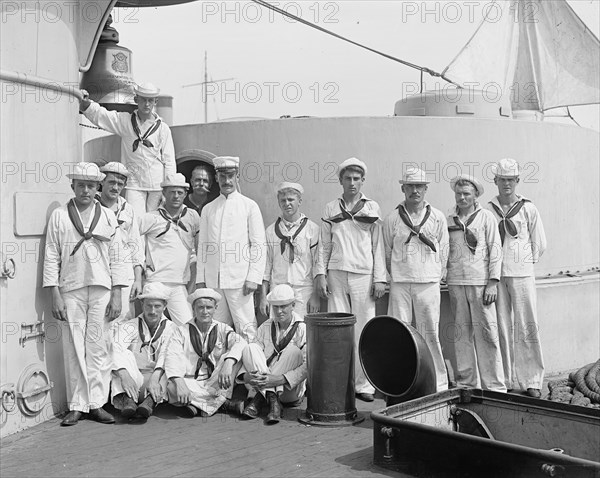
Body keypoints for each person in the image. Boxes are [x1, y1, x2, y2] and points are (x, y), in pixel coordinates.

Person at [43, 162, 128, 426]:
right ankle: (77, 405)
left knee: (99, 347)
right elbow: (51, 255)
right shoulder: (59, 215)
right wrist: (54, 293)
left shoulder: (108, 216)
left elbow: (117, 258)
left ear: (98, 188)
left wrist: (117, 294)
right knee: (73, 347)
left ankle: (97, 404)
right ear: (73, 186)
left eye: (91, 186)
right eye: (81, 185)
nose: (86, 190)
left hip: (102, 287)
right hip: (71, 287)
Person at [315, 157, 386, 402]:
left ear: (363, 181)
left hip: (363, 274)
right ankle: (340, 381)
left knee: (364, 330)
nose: (352, 183)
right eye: (348, 178)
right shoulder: (330, 208)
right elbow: (324, 245)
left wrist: (380, 279)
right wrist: (320, 274)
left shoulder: (372, 208)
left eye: (357, 179)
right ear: (341, 180)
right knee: (338, 331)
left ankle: (364, 385)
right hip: (336, 274)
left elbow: (379, 246)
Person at [383, 168, 449, 391]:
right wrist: (393, 275)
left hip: (428, 282)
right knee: (399, 333)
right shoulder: (392, 218)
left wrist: (438, 275)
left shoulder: (438, 217)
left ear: (425, 189)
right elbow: (386, 250)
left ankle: (437, 384)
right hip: (400, 282)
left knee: (430, 333)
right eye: (410, 186)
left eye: (419, 186)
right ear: (403, 188)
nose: (414, 191)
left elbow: (445, 249)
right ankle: (399, 384)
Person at [487, 158, 547, 398]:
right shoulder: (488, 209)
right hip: (497, 275)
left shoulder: (528, 207)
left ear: (517, 181)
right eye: (502, 180)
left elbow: (539, 242)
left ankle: (532, 380)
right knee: (501, 326)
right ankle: (508, 379)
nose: (506, 185)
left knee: (527, 325)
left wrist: (524, 262)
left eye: (511, 180)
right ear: (496, 181)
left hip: (521, 274)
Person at [446, 174, 506, 392]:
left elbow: (495, 250)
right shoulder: (449, 219)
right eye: (458, 194)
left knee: (487, 334)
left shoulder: (486, 218)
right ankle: (467, 383)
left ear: (475, 196)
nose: (462, 198)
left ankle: (494, 386)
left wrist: (493, 282)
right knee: (462, 335)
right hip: (456, 282)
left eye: (466, 194)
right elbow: (445, 251)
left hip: (481, 283)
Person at [196, 156, 266, 341]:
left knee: (247, 329)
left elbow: (258, 245)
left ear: (237, 177)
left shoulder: (249, 206)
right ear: (216, 178)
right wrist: (201, 279)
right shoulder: (208, 209)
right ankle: (220, 368)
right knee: (218, 330)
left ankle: (250, 368)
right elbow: (203, 247)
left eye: (230, 176)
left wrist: (253, 277)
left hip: (240, 281)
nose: (227, 181)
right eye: (222, 176)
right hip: (214, 282)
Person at [80, 83, 176, 216]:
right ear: (136, 100)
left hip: (157, 185)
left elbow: (169, 161)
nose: (146, 104)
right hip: (134, 184)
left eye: (150, 100)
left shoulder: (163, 128)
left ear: (156, 102)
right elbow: (104, 116)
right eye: (143, 99)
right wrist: (86, 104)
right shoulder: (125, 121)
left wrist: (168, 188)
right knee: (134, 221)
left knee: (155, 223)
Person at [165, 288, 247, 417]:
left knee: (238, 354)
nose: (205, 312)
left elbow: (241, 342)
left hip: (216, 380)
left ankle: (195, 404)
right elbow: (172, 357)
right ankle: (222, 404)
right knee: (171, 387)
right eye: (200, 307)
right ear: (193, 309)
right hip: (192, 381)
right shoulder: (181, 331)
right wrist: (180, 383)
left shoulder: (223, 328)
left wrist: (229, 362)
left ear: (215, 308)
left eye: (209, 307)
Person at [240, 284, 307, 424]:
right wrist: (246, 376)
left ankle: (260, 399)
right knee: (250, 348)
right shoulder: (265, 326)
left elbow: (308, 366)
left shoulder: (303, 329)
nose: (279, 311)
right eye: (275, 307)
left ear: (293, 305)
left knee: (293, 351)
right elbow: (252, 357)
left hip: (288, 390)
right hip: (262, 384)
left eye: (283, 306)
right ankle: (272, 399)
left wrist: (280, 379)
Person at [139, 173, 200, 325]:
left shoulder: (192, 216)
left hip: (179, 283)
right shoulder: (150, 217)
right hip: (155, 281)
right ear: (164, 193)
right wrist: (141, 262)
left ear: (185, 194)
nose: (176, 196)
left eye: (180, 192)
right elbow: (130, 238)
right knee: (151, 324)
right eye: (172, 192)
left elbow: (201, 246)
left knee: (187, 325)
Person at [110, 282, 178, 419]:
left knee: (172, 365)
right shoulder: (130, 325)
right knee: (121, 355)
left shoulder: (172, 328)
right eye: (149, 305)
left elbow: (167, 355)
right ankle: (128, 402)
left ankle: (150, 403)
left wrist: (155, 377)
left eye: (157, 306)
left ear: (165, 306)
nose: (152, 311)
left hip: (156, 380)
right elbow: (114, 348)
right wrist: (125, 375)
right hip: (133, 381)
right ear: (142, 305)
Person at [260, 182, 320, 319]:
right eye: (283, 200)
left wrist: (315, 296)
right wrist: (263, 297)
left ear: (299, 201)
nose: (287, 203)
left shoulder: (312, 229)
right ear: (278, 203)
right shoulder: (270, 231)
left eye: (291, 199)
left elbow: (318, 264)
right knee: (278, 331)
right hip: (278, 288)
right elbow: (266, 266)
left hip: (303, 290)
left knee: (303, 331)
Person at [98, 162, 144, 320]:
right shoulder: (94, 205)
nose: (115, 187)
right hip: (100, 270)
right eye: (111, 182)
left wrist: (138, 279)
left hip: (126, 274)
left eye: (120, 184)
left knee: (125, 320)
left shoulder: (127, 208)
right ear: (102, 182)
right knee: (103, 320)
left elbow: (135, 244)